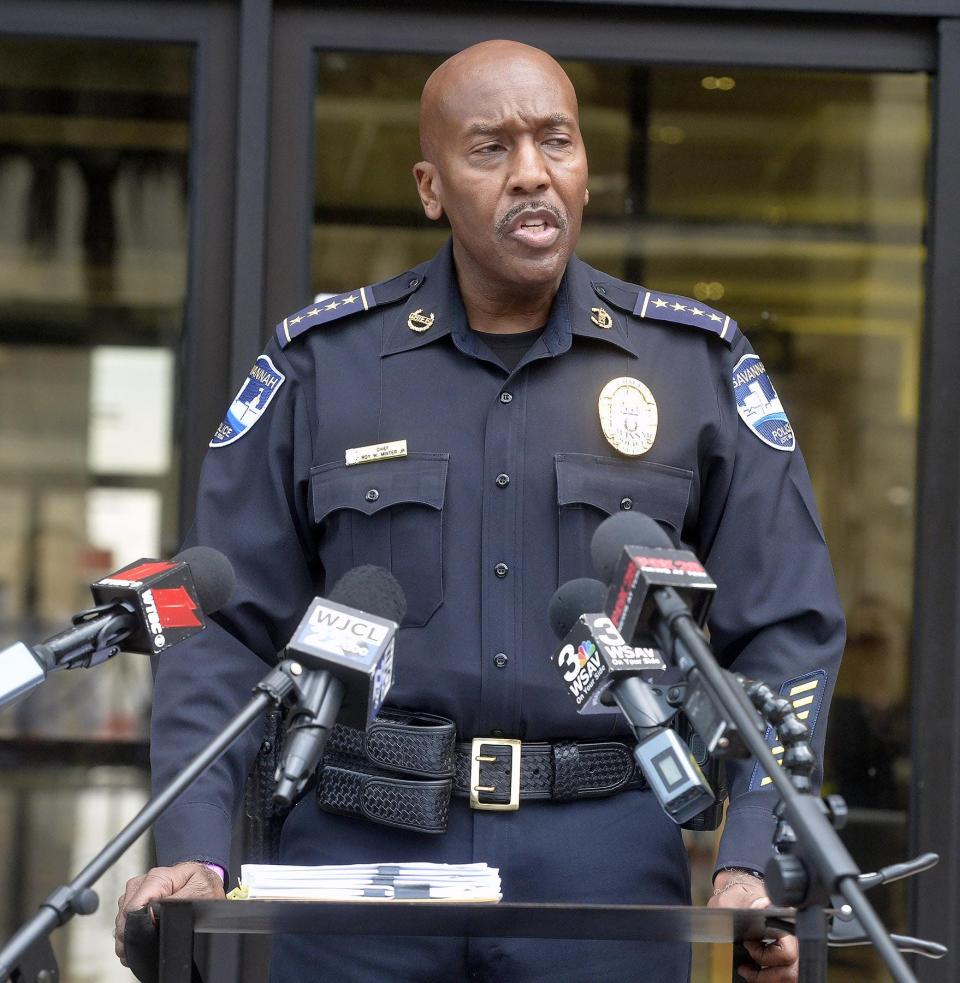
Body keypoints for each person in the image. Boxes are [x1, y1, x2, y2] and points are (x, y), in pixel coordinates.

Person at [114, 40, 844, 983]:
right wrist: (197, 849)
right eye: (491, 148)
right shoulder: (322, 367)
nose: (532, 173)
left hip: (603, 866)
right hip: (357, 860)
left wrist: (754, 860)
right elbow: (214, 631)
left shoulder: (690, 368)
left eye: (557, 142)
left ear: (585, 169)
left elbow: (783, 630)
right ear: (431, 186)